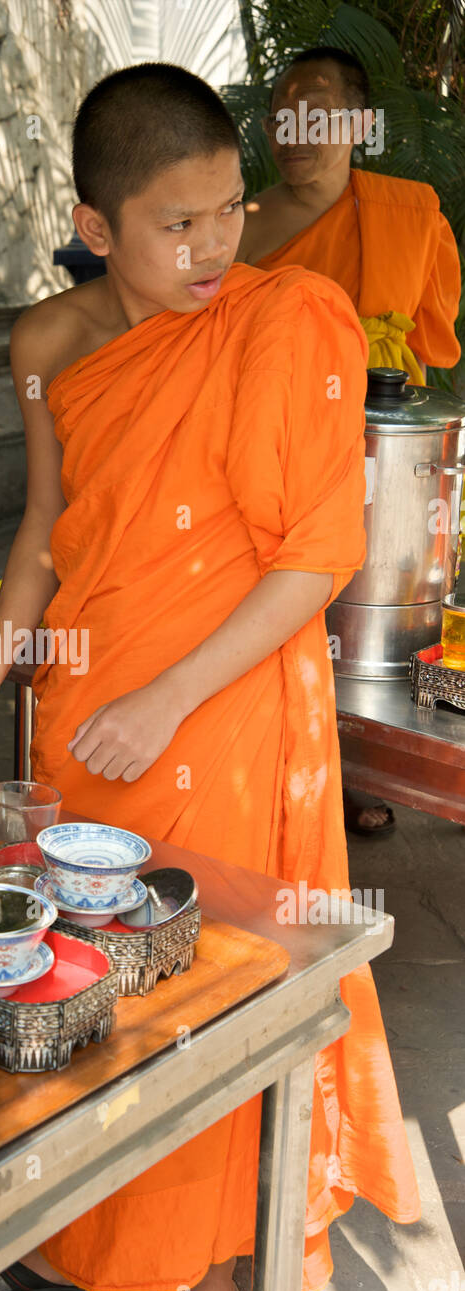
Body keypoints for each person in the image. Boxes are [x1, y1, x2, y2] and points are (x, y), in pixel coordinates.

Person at [0, 63, 420, 1291]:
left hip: (220, 704)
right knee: (77, 971)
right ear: (95, 229)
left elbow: (315, 554)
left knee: (194, 978)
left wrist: (171, 696)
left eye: (228, 210)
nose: (211, 247)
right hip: (88, 705)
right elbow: (43, 527)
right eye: (173, 224)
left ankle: (193, 1244)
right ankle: (89, 1232)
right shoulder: (47, 341)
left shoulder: (281, 319)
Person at [238, 46, 461, 836]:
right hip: (277, 442)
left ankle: (352, 764)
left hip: (378, 442)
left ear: (360, 123)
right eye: (283, 111)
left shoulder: (411, 212)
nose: (297, 129)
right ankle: (292, 772)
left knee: (368, 618)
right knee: (286, 608)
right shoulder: (243, 224)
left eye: (320, 110)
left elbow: (430, 341)